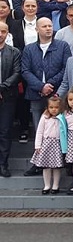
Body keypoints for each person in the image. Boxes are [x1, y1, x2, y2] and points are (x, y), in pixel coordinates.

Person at [21, 18, 71, 174]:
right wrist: (41, 86)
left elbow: (66, 68)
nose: (48, 28)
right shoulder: (29, 49)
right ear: (37, 29)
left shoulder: (62, 46)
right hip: (36, 94)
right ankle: (39, 163)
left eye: (50, 26)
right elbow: (25, 71)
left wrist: (50, 84)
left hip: (57, 94)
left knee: (61, 129)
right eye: (44, 26)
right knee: (40, 130)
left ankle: (66, 161)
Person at [30, 95, 64, 194]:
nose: (54, 110)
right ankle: (47, 185)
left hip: (57, 144)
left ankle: (55, 185)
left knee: (57, 166)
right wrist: (38, 145)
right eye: (51, 107)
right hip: (46, 144)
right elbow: (39, 131)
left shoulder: (61, 117)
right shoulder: (45, 117)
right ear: (47, 108)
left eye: (56, 107)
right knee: (46, 166)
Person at [0, 21, 21, 178]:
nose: (0, 34)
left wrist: (2, 88)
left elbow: (17, 73)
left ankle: (3, 164)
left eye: (3, 31)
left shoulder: (14, 52)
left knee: (5, 131)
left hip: (7, 97)